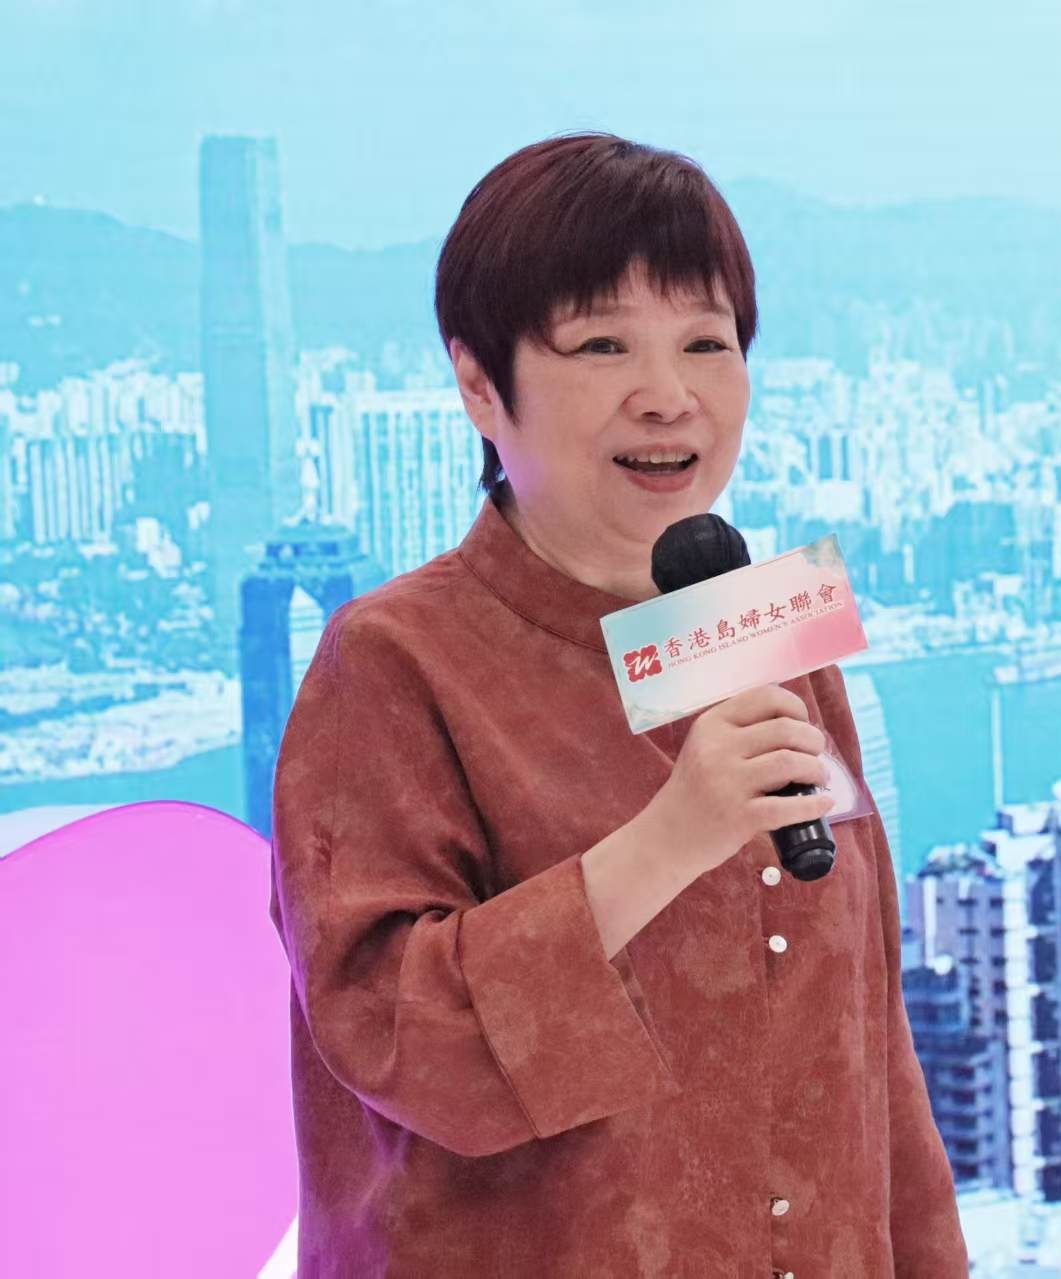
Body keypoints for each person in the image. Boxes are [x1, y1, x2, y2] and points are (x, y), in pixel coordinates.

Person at [267, 131, 970, 1278]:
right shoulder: (392, 662)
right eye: (603, 345)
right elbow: (395, 1040)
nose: (668, 396)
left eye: (706, 342)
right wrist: (668, 842)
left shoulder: (766, 637)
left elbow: (871, 1052)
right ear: (480, 384)